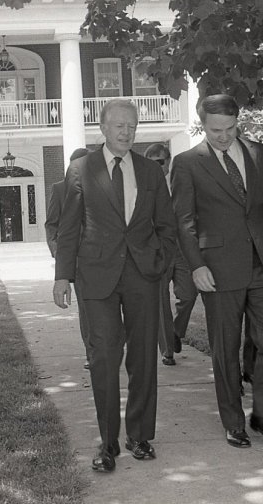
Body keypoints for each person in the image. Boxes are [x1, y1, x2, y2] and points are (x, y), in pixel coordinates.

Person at [53, 99, 176, 472]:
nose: (126, 132)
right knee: (103, 358)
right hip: (96, 277)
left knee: (142, 357)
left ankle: (139, 435)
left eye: (132, 126)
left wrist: (160, 262)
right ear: (102, 128)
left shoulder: (150, 172)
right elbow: (69, 228)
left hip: (142, 275)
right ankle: (107, 443)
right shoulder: (81, 170)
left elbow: (167, 226)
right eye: (119, 126)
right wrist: (62, 276)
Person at [170, 94, 263, 451]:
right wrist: (196, 265)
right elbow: (184, 221)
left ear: (239, 122)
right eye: (215, 130)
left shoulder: (255, 152)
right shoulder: (187, 163)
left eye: (230, 128)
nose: (224, 136)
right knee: (225, 349)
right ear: (202, 125)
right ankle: (234, 422)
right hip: (217, 269)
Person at [143, 143, 199, 366]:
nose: (157, 166)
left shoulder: (180, 181)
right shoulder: (142, 185)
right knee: (161, 303)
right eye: (152, 162)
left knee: (189, 295)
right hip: (157, 251)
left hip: (182, 249)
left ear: (168, 161)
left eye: (161, 162)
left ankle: (177, 330)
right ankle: (167, 351)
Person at [45, 147, 91, 369]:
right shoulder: (60, 189)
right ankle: (92, 353)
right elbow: (52, 225)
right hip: (78, 260)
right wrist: (60, 254)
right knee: (87, 309)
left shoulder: (107, 184)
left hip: (107, 258)